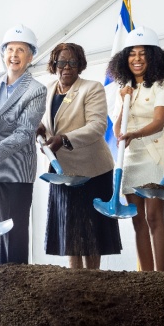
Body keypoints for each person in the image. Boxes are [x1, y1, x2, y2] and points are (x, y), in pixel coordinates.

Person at [37, 43, 121, 269]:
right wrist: (40, 129)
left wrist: (63, 139)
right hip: (62, 172)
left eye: (72, 62)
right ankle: (75, 283)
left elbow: (97, 126)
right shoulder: (48, 90)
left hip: (92, 171)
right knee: (69, 232)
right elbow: (49, 125)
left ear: (80, 65)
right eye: (62, 62)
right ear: (54, 64)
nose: (67, 67)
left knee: (92, 235)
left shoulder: (91, 88)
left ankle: (93, 285)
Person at [105, 26, 164, 272]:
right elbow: (116, 131)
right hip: (130, 158)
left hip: (156, 155)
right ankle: (145, 278)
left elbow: (159, 123)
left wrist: (133, 134)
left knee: (154, 217)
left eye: (143, 53)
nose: (137, 59)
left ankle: (161, 278)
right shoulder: (123, 88)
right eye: (132, 54)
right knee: (138, 222)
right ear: (124, 59)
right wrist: (124, 100)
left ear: (153, 56)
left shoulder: (162, 85)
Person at [0, 26, 46, 264]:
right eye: (10, 49)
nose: (14, 55)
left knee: (13, 234)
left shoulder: (36, 90)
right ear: (4, 53)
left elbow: (25, 131)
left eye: (21, 50)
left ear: (30, 56)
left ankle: (16, 285)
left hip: (16, 168)